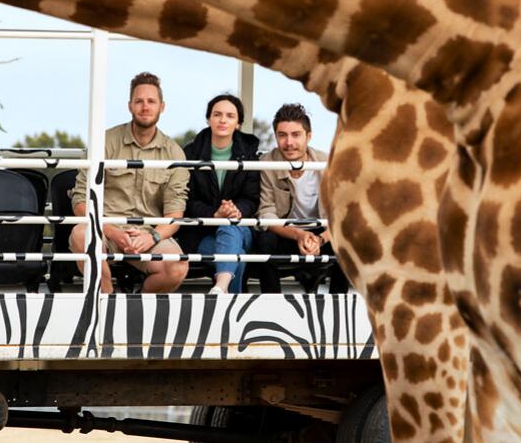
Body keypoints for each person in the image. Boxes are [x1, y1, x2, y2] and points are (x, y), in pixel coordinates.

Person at [70, 72, 189, 293]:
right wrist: (113, 232)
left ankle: (136, 309)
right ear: (129, 105)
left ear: (162, 106)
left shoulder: (174, 153)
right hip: (105, 229)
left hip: (148, 233)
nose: (145, 107)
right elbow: (80, 203)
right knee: (80, 234)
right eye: (139, 101)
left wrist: (151, 236)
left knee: (178, 266)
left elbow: (175, 215)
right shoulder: (103, 143)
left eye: (151, 101)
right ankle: (108, 302)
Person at [253, 103, 349, 293]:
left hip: (322, 232)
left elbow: (342, 214)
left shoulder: (327, 163)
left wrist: (320, 239)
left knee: (346, 244)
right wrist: (299, 234)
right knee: (264, 242)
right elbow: (266, 213)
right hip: (287, 231)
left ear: (309, 136)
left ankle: (337, 307)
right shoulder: (267, 163)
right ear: (276, 136)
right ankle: (271, 306)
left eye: (296, 135)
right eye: (282, 135)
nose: (289, 143)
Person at [179, 94, 261, 294]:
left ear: (238, 123)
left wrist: (234, 211)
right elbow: (187, 200)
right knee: (236, 257)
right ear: (208, 119)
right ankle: (226, 297)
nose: (223, 120)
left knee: (230, 227)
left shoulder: (250, 154)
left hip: (240, 228)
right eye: (217, 114)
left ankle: (221, 288)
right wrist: (214, 214)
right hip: (202, 233)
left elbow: (251, 198)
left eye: (230, 116)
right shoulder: (190, 154)